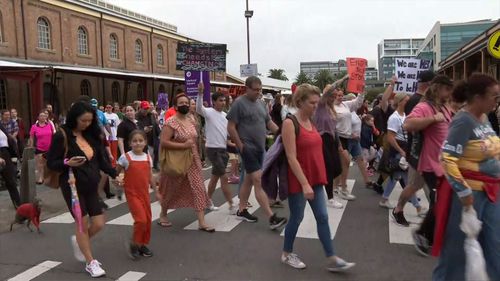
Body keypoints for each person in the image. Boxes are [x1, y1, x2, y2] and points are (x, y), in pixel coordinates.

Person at [281, 83, 355, 272]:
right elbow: (291, 157)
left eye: (316, 102)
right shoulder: (290, 123)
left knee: (322, 217)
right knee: (296, 217)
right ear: (300, 102)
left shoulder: (312, 120)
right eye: (312, 103)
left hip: (315, 178)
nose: (316, 105)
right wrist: (304, 183)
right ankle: (286, 253)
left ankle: (332, 258)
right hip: (299, 180)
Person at [433, 73, 500, 280]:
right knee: (456, 253)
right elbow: (447, 159)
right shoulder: (462, 121)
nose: (497, 101)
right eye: (494, 97)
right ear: (478, 97)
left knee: (494, 247)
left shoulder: (485, 119)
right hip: (470, 198)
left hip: (492, 193)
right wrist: (464, 192)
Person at [46, 101, 117, 278]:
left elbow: (101, 160)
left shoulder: (92, 134)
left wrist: (115, 174)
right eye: (83, 121)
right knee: (82, 223)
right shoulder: (62, 135)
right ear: (74, 118)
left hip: (91, 185)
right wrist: (66, 162)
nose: (86, 124)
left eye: (89, 121)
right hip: (72, 186)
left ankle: (80, 241)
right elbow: (51, 162)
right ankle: (90, 262)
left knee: (99, 223)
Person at [401, 75, 454, 255]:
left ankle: (430, 233)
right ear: (438, 88)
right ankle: (422, 233)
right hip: (431, 164)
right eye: (447, 89)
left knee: (443, 200)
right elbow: (407, 124)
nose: (449, 93)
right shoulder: (425, 107)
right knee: (439, 200)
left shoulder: (444, 107)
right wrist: (432, 119)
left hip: (444, 163)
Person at [227, 76, 287, 228]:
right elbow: (231, 126)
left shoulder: (261, 104)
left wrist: (281, 132)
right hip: (248, 148)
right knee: (258, 180)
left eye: (260, 89)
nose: (258, 92)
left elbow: (268, 122)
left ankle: (241, 210)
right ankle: (271, 217)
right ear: (247, 88)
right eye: (255, 90)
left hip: (261, 148)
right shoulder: (239, 104)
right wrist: (240, 146)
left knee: (248, 179)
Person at [157, 94, 214, 232]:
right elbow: (164, 142)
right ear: (175, 106)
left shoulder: (192, 119)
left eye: (186, 103)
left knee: (198, 187)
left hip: (193, 159)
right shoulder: (170, 122)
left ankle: (201, 222)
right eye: (181, 103)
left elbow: (195, 139)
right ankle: (163, 214)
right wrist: (183, 146)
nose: (185, 105)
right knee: (171, 188)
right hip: (176, 161)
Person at [391, 71, 435, 224]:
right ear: (429, 84)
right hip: (418, 151)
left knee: (428, 188)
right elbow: (410, 126)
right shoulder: (417, 102)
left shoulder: (423, 101)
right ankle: (398, 209)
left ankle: (432, 218)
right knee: (415, 185)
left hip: (428, 151)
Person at [378, 93, 422, 213]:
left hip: (405, 149)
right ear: (400, 101)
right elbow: (391, 138)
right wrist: (401, 151)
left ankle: (384, 198)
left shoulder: (406, 115)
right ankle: (417, 206)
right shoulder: (394, 117)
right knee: (407, 179)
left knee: (396, 176)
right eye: (406, 100)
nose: (409, 102)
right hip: (398, 150)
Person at [115, 130, 154, 259]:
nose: (138, 143)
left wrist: (157, 191)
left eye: (140, 140)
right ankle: (134, 244)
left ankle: (142, 244)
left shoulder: (148, 157)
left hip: (145, 194)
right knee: (141, 220)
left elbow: (150, 175)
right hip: (132, 194)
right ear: (130, 143)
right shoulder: (126, 157)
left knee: (147, 220)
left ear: (145, 142)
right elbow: (116, 172)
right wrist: (118, 179)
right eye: (135, 141)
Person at [196, 83, 234, 212]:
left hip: (223, 150)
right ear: (214, 102)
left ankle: (207, 201)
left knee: (214, 177)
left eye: (224, 100)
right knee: (224, 177)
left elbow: (227, 134)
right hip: (212, 150)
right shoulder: (209, 112)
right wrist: (200, 93)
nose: (223, 103)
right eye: (220, 100)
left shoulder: (225, 116)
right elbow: (198, 108)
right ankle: (232, 204)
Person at [333, 90, 369, 200]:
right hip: (338, 137)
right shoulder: (330, 108)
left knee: (343, 164)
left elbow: (357, 103)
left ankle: (336, 187)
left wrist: (361, 91)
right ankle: (342, 188)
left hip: (348, 138)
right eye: (337, 95)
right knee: (345, 162)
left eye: (341, 95)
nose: (340, 97)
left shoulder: (345, 105)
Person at [312, 85, 344, 209]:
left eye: (335, 96)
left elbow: (334, 129)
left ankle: (318, 184)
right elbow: (326, 94)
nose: (333, 98)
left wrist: (339, 143)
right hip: (322, 138)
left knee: (337, 169)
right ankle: (330, 198)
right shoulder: (320, 106)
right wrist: (342, 80)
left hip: (331, 140)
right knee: (329, 168)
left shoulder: (332, 109)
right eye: (332, 95)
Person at [28, 111, 54, 184]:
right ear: (38, 117)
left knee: (49, 163)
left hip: (49, 147)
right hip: (39, 147)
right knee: (40, 164)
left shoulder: (49, 125)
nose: (43, 117)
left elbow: (53, 135)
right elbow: (31, 137)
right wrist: (31, 146)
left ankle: (49, 177)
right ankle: (40, 178)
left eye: (44, 116)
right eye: (41, 116)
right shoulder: (34, 126)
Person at [0, 121, 20, 208]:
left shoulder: (1, 127)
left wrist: (13, 156)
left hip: (5, 154)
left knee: (11, 182)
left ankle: (20, 209)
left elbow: (9, 140)